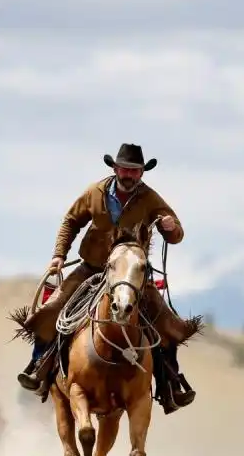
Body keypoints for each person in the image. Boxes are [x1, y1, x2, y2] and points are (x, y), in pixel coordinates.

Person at [15, 143, 199, 415]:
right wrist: (58, 256)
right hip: (92, 268)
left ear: (141, 174)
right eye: (125, 169)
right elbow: (71, 221)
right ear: (115, 168)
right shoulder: (94, 193)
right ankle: (39, 365)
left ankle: (171, 383)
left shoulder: (150, 199)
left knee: (166, 322)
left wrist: (171, 228)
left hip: (131, 275)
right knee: (52, 309)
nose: (129, 174)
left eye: (135, 171)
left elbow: (176, 233)